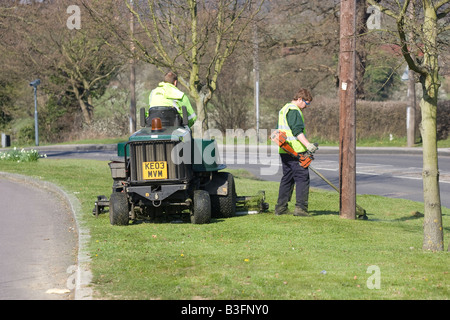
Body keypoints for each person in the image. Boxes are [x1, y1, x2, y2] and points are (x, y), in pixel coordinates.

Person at [274, 88, 318, 217]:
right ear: (299, 99)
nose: (306, 106)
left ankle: (280, 208)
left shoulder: (284, 109)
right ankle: (301, 209)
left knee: (287, 178)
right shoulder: (294, 111)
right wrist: (308, 145)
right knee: (302, 178)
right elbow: (297, 131)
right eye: (306, 103)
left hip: (284, 149)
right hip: (296, 151)